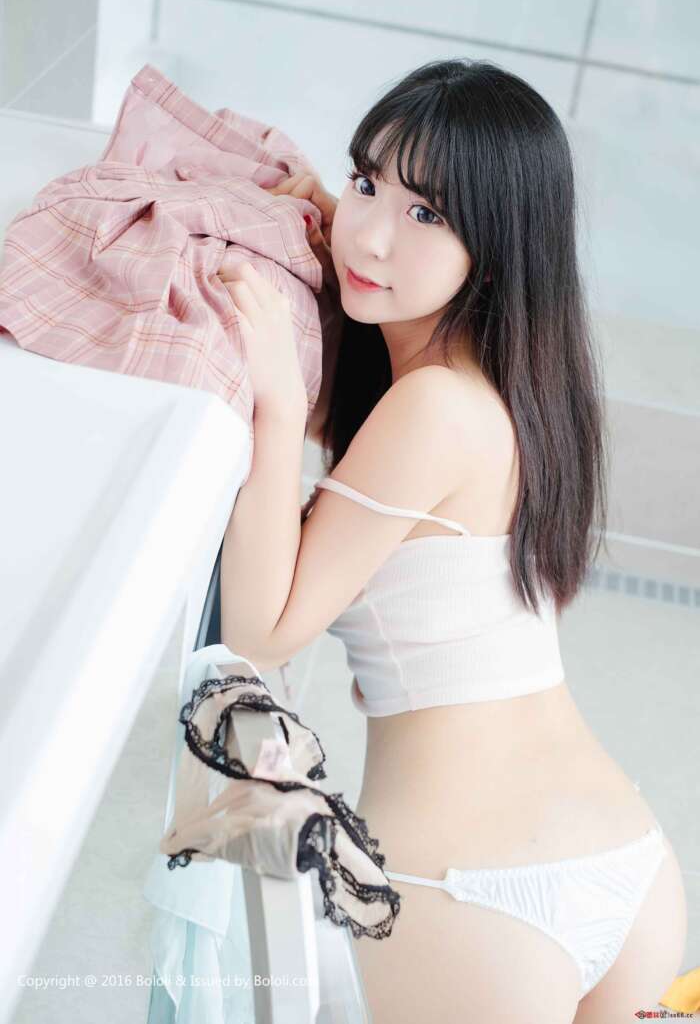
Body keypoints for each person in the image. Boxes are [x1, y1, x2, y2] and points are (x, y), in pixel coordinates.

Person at [225, 58, 687, 1023]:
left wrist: (274, 402)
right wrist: (337, 213)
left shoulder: (432, 407)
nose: (373, 235)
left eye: (427, 213)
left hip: (469, 899)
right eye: (367, 183)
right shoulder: (521, 393)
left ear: (499, 242)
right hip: (632, 869)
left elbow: (261, 630)